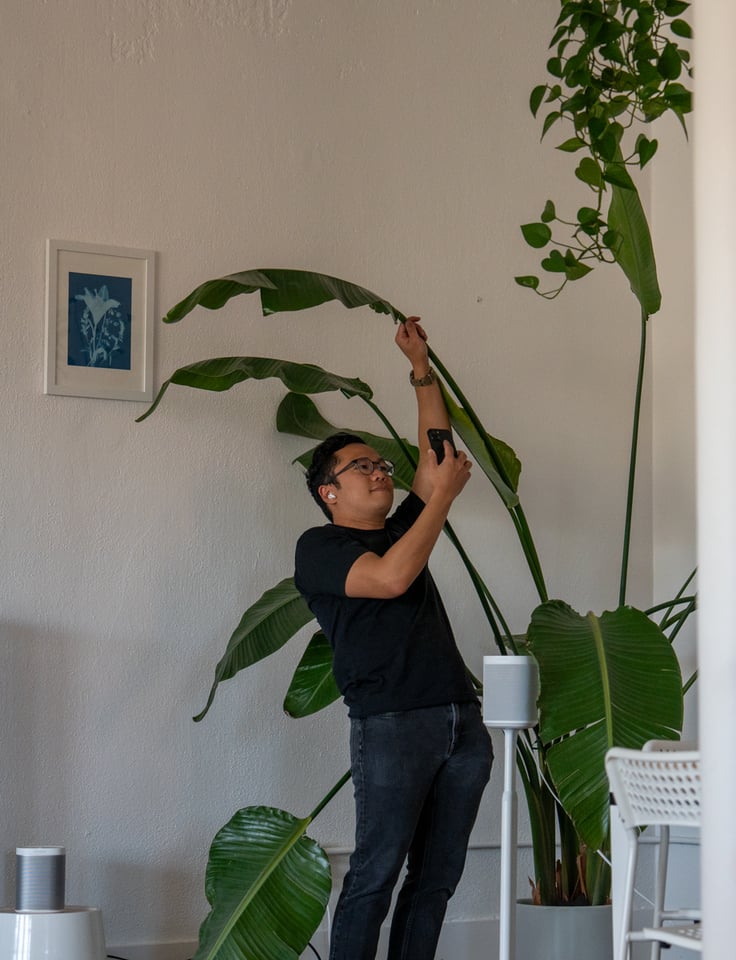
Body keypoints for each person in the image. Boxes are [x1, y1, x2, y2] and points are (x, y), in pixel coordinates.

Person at [294, 317, 493, 960]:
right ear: (330, 491)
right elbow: (389, 578)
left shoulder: (400, 524)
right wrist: (440, 502)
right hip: (392, 726)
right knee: (375, 878)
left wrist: (420, 368)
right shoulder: (321, 547)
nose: (379, 471)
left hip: (461, 720)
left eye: (380, 463)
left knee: (436, 881)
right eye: (361, 467)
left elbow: (437, 459)